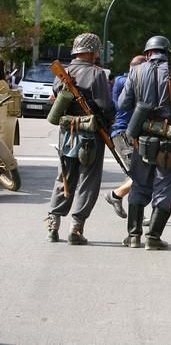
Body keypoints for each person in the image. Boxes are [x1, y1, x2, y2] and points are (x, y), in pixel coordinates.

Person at [118, 36, 171, 250]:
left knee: (139, 184)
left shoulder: (136, 71)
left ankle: (134, 236)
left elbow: (123, 104)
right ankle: (153, 238)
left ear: (148, 53)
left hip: (142, 137)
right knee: (164, 187)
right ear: (167, 52)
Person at [45, 33, 115, 244]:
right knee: (88, 181)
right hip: (91, 135)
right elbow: (105, 105)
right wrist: (111, 121)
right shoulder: (97, 74)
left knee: (64, 177)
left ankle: (53, 223)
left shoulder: (62, 72)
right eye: (96, 52)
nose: (97, 56)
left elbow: (56, 99)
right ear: (91, 52)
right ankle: (76, 228)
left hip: (67, 134)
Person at [103, 55, 147, 219]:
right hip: (123, 133)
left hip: (132, 133)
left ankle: (117, 196)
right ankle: (117, 197)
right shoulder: (124, 81)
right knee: (140, 175)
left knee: (142, 174)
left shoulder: (129, 80)